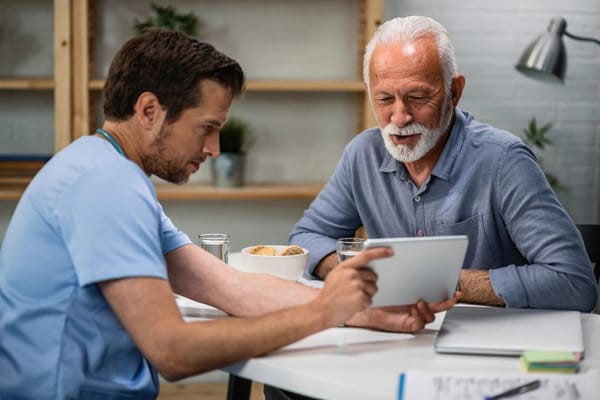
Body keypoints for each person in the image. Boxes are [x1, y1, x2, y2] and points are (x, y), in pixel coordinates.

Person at [0, 29, 458, 399]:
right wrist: (321, 311)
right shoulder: (104, 184)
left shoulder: (106, 172)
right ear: (149, 110)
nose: (215, 149)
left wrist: (365, 312)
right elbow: (174, 352)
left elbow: (230, 287)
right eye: (207, 128)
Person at [289, 16, 597, 311]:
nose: (399, 117)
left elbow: (573, 282)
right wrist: (360, 273)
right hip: (397, 337)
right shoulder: (362, 154)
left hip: (490, 336)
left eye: (418, 97)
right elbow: (305, 239)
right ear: (369, 93)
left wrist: (432, 280)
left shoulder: (505, 161)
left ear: (455, 92)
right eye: (384, 99)